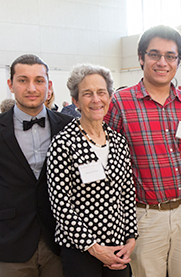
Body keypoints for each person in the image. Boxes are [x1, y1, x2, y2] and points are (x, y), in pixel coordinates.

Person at [104, 25, 181, 277]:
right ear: (141, 57)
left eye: (170, 56)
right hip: (145, 216)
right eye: (154, 54)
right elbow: (107, 162)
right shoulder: (120, 103)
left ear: (178, 61)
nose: (162, 62)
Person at [0, 54, 72, 277]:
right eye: (22, 80)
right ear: (10, 84)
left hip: (60, 241)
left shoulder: (68, 126)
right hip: (11, 242)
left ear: (48, 85)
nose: (31, 87)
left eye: (39, 80)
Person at [47, 63, 137, 276]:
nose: (96, 100)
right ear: (76, 101)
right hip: (81, 251)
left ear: (109, 97)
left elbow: (127, 193)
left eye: (101, 93)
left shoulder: (118, 141)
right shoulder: (63, 144)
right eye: (87, 94)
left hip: (118, 247)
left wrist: (131, 238)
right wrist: (95, 248)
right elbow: (61, 204)